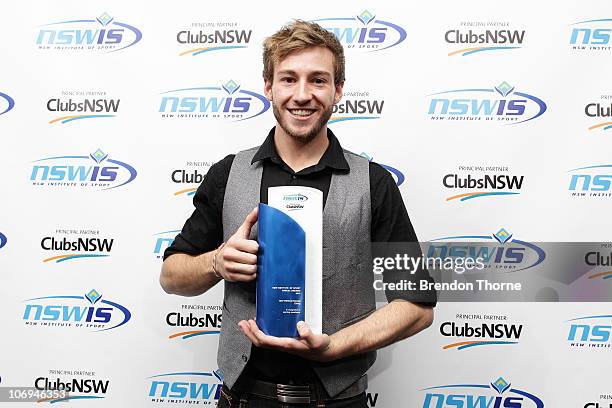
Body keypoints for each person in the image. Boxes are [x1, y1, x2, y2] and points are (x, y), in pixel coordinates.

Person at [160, 20, 435, 407]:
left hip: (337, 400)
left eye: (318, 80)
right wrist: (216, 262)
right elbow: (171, 276)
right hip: (242, 398)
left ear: (338, 90)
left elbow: (417, 307)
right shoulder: (228, 174)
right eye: (288, 79)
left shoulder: (374, 183)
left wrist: (334, 347)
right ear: (268, 86)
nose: (302, 95)